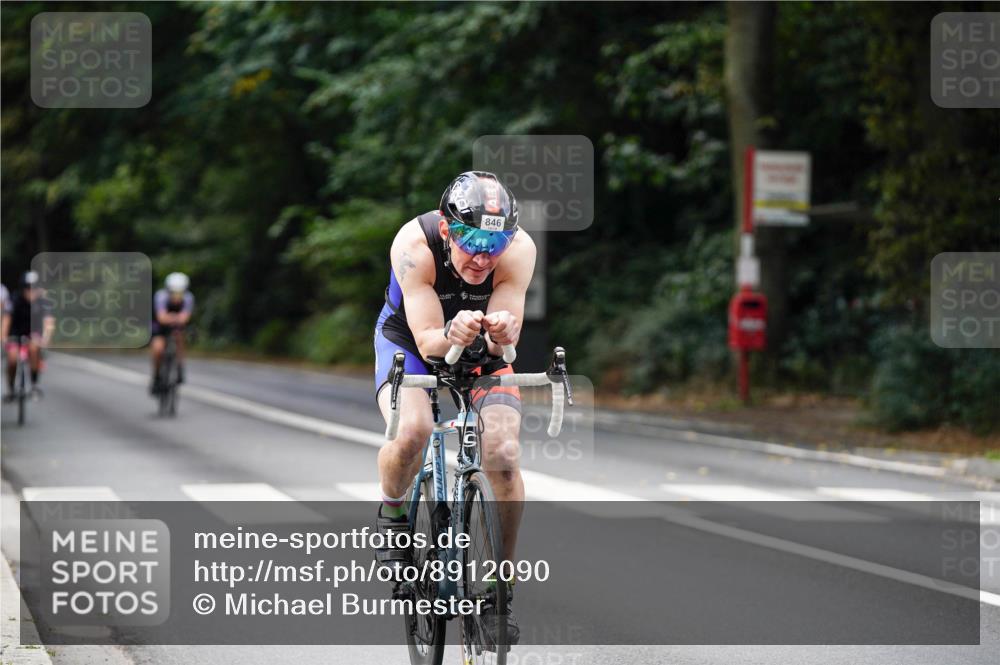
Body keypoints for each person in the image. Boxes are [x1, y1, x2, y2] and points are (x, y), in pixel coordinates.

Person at [373, 171, 535, 646]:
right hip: (412, 343)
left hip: (479, 347)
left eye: (495, 243)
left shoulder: (520, 249)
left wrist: (501, 332)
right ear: (448, 230)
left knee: (503, 454)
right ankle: (394, 516)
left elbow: (506, 345)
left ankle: (497, 593)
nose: (484, 256)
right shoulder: (413, 245)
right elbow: (428, 339)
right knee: (413, 430)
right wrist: (453, 333)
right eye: (471, 242)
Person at [5, 271, 55, 400]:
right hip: (15, 332)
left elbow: (49, 322)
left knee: (34, 348)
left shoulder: (44, 301)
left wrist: (45, 339)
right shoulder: (14, 299)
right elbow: (6, 320)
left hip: (34, 332)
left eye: (33, 288)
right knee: (12, 359)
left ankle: (33, 384)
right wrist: (3, 338)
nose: (30, 292)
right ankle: (11, 388)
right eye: (28, 288)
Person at [150, 272, 194, 394]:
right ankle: (157, 377)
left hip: (176, 326)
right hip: (159, 327)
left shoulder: (188, 298)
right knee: (158, 349)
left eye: (179, 292)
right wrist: (176, 317)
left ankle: (180, 367)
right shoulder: (161, 296)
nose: (176, 296)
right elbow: (161, 318)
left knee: (179, 337)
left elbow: (185, 318)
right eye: (173, 292)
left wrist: (173, 318)